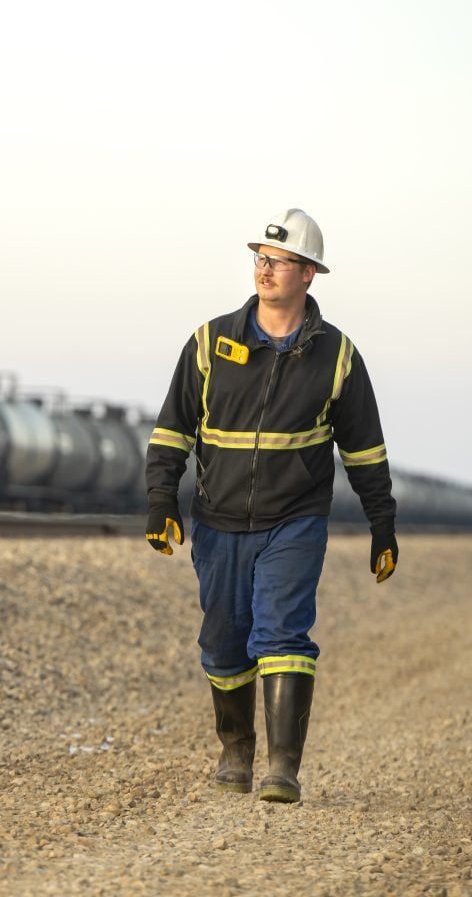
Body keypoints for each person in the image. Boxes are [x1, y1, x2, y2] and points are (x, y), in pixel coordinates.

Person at [143, 208, 398, 804]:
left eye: (278, 262)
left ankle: (283, 767)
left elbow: (364, 449)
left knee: (283, 632)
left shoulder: (336, 356)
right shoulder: (211, 342)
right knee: (223, 643)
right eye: (260, 258)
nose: (265, 269)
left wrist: (382, 522)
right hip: (218, 519)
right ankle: (236, 750)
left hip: (295, 520)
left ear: (308, 274)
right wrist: (161, 500)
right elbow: (173, 428)